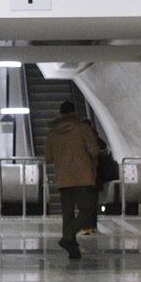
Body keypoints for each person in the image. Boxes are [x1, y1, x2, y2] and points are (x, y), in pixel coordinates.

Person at [42, 100, 100, 259]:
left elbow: (48, 157)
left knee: (67, 214)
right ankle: (67, 237)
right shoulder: (82, 129)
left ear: (60, 113)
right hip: (82, 177)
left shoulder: (52, 133)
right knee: (87, 210)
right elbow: (94, 151)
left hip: (63, 178)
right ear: (74, 112)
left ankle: (73, 250)